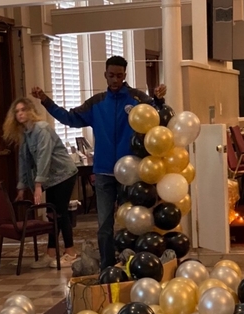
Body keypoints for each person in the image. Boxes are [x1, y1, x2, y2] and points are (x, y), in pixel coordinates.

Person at [31, 57, 171, 271]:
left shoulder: (137, 99)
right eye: (111, 75)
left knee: (131, 222)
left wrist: (159, 100)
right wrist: (45, 101)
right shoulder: (96, 103)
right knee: (104, 225)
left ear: (125, 75)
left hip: (131, 173)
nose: (115, 80)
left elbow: (157, 116)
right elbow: (69, 118)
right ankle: (107, 268)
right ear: (105, 75)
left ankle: (131, 266)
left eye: (119, 76)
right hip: (104, 173)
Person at [2, 97, 79, 269]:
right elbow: (24, 160)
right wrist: (21, 187)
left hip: (64, 174)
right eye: (17, 111)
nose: (20, 114)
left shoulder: (42, 129)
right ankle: (51, 252)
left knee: (60, 213)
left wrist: (38, 185)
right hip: (51, 179)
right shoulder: (25, 134)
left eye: (23, 110)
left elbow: (44, 157)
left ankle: (71, 252)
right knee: (52, 215)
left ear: (31, 111)